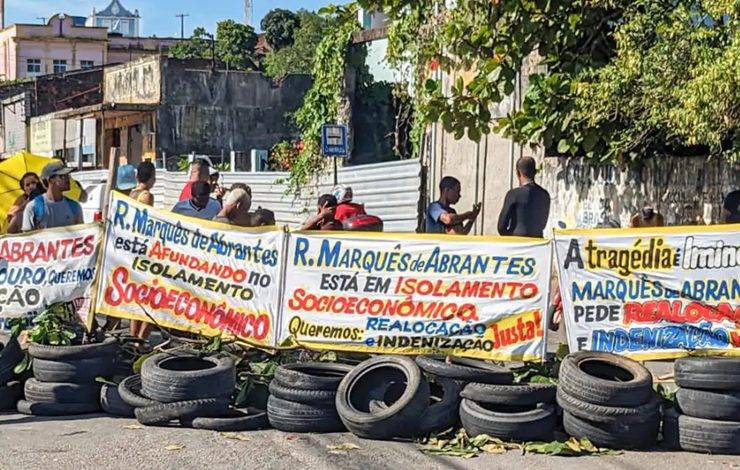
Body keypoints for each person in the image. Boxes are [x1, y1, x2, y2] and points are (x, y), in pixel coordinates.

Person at [128, 161, 156, 341]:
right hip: (143, 250)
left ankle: (133, 338)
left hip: (132, 249)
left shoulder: (132, 193)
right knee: (151, 299)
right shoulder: (146, 196)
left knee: (136, 298)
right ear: (152, 177)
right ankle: (141, 339)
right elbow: (146, 223)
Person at [497, 157, 550, 238]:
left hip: (517, 243)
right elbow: (543, 224)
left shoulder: (513, 194)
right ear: (535, 172)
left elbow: (501, 227)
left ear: (518, 173)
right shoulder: (545, 194)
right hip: (538, 243)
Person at [21, 161, 82, 232]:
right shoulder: (33, 207)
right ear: (50, 180)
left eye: (68, 175)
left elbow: (81, 234)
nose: (67, 179)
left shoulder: (75, 206)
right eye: (62, 176)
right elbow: (26, 238)